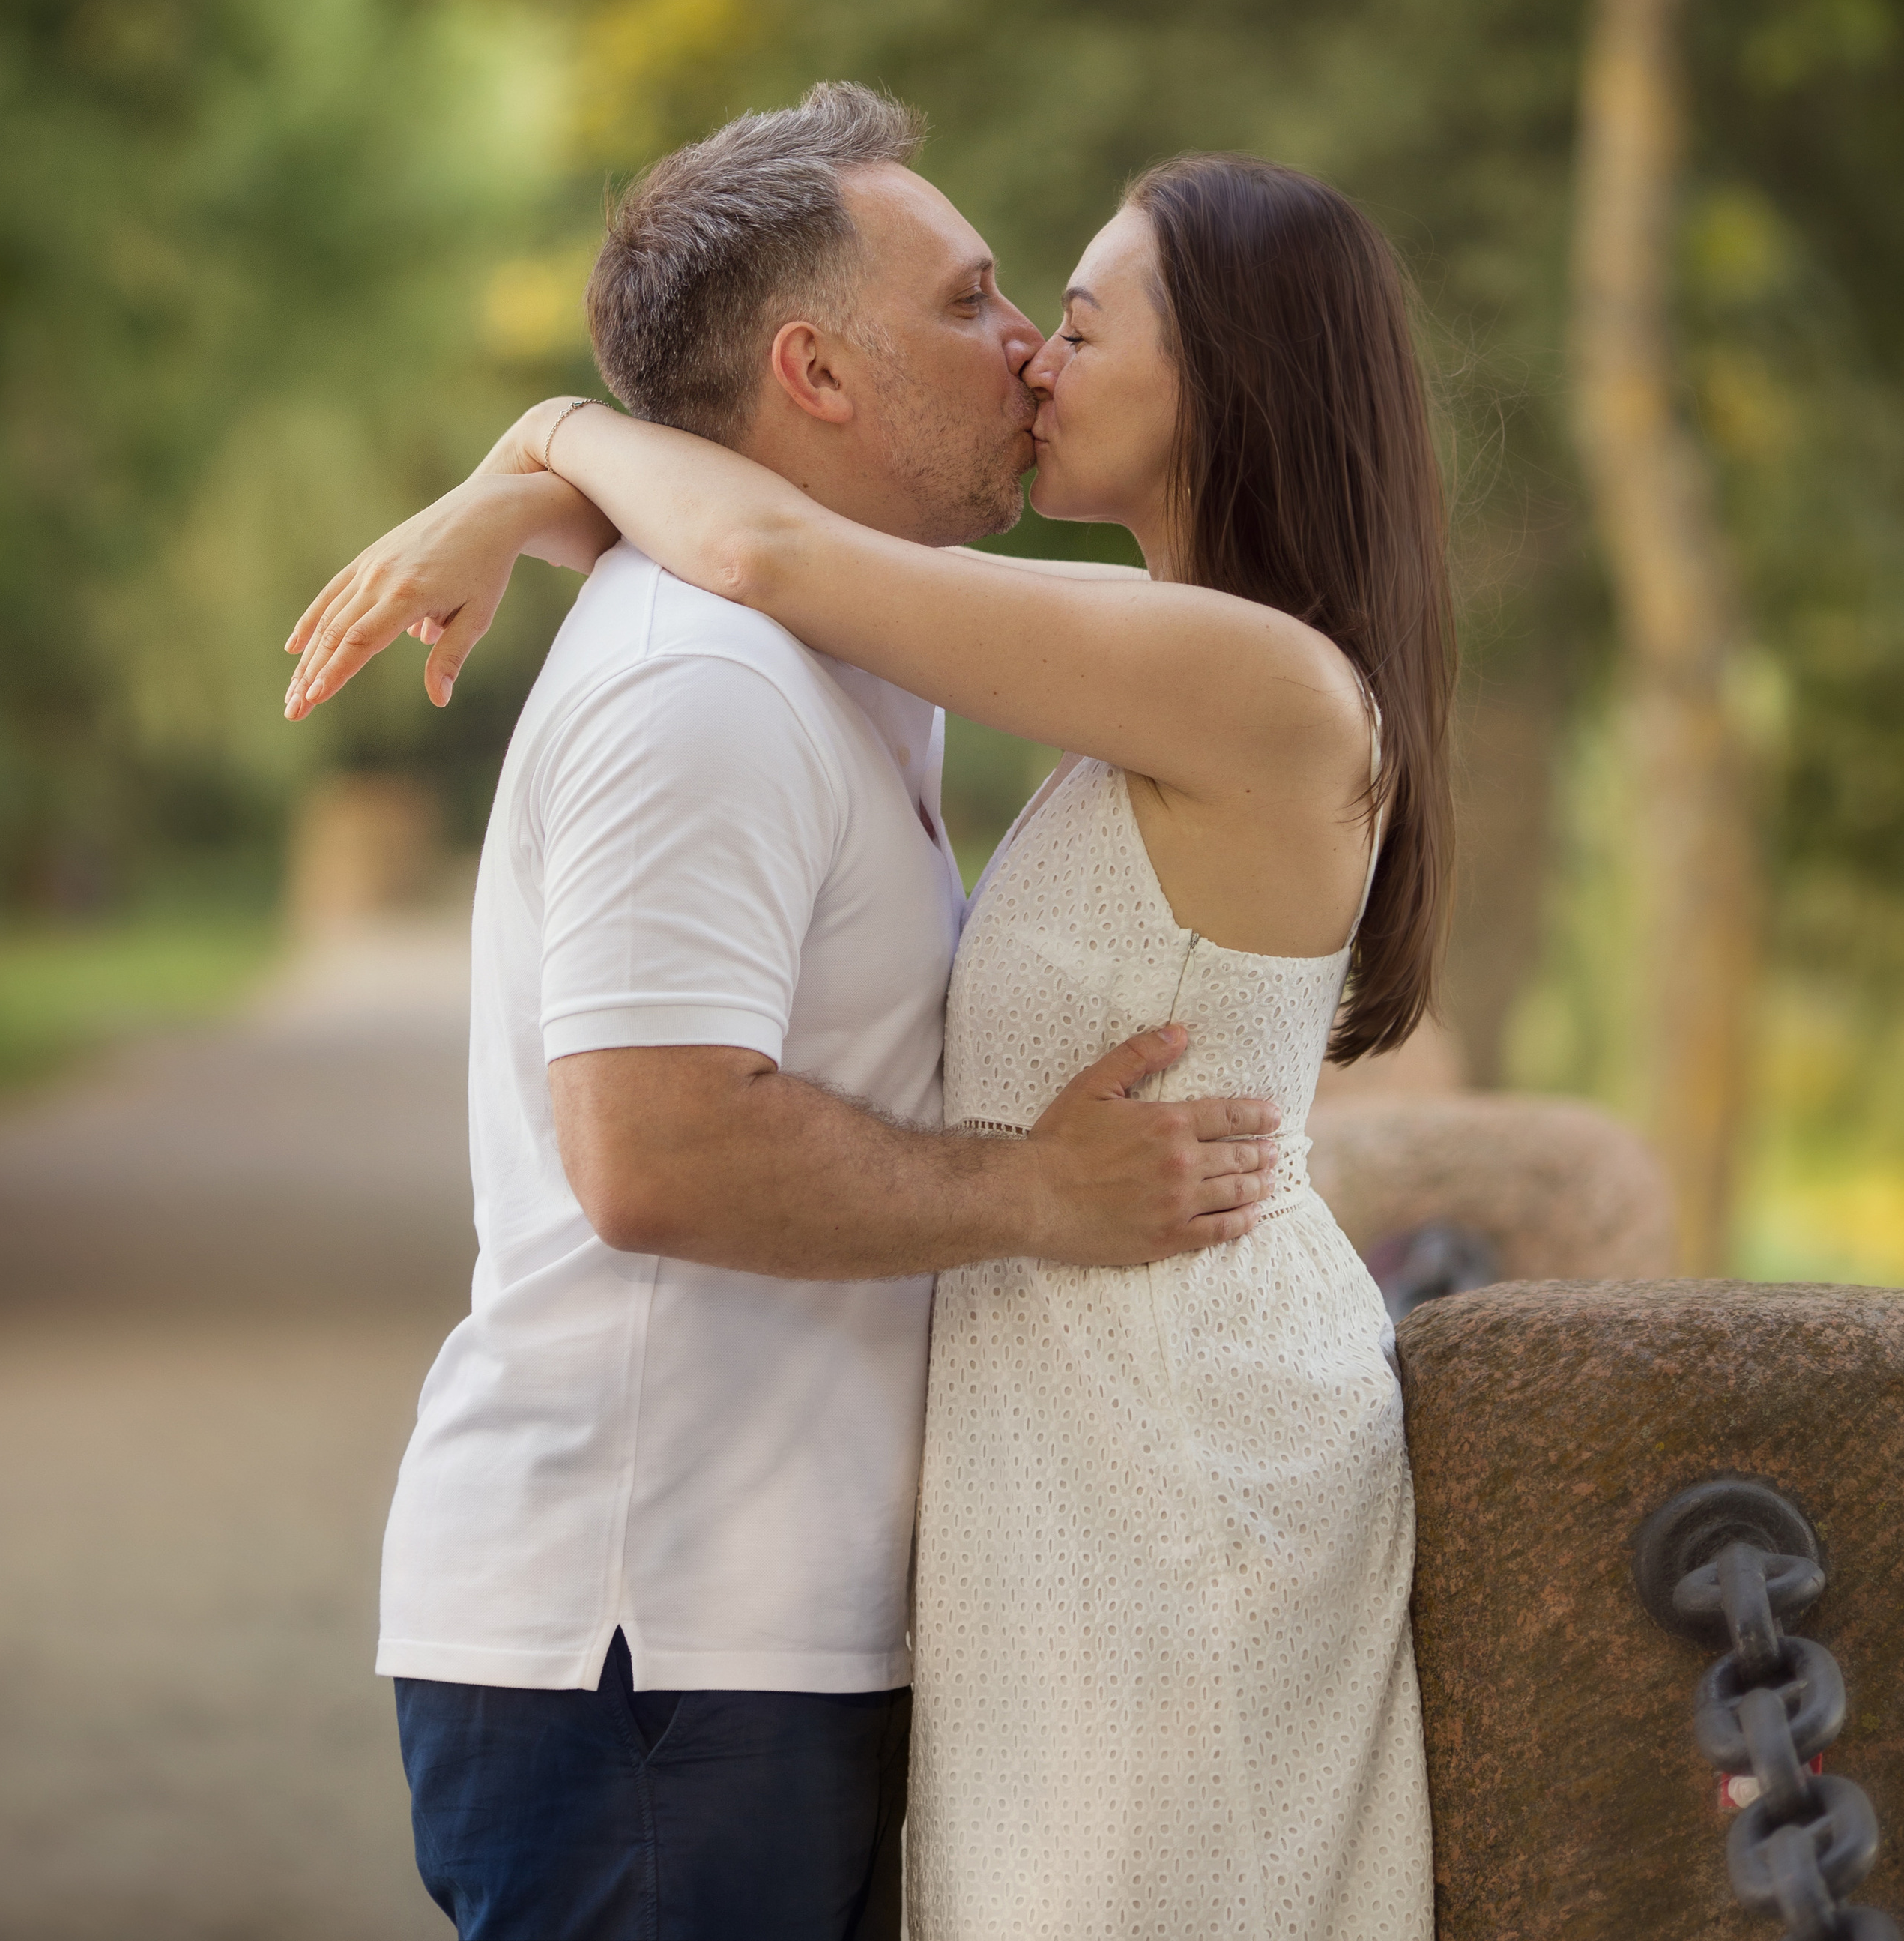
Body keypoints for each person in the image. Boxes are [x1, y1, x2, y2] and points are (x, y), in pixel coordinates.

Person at [294, 98, 1454, 1941]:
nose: (1028, 350)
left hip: (1157, 1450)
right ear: (816, 364)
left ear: (1227, 376)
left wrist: (545, 445)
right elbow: (751, 570)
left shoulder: (1221, 670)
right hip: (749, 1587)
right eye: (998, 300)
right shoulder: (801, 674)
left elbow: (770, 550)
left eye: (1072, 315)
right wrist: (552, 481)